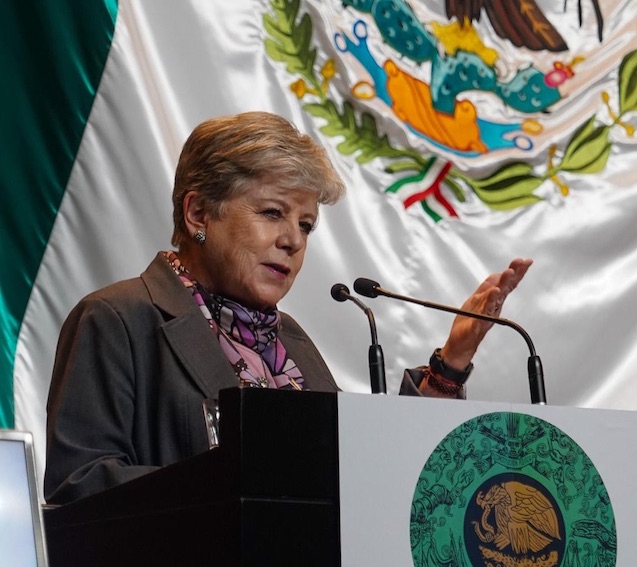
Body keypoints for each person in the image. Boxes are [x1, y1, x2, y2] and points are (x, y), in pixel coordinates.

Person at [44, 111, 532, 505]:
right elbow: (79, 489)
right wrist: (242, 487)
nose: (292, 241)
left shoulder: (289, 343)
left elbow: (366, 470)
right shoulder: (119, 318)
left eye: (306, 225)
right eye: (272, 213)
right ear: (198, 213)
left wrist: (452, 360)